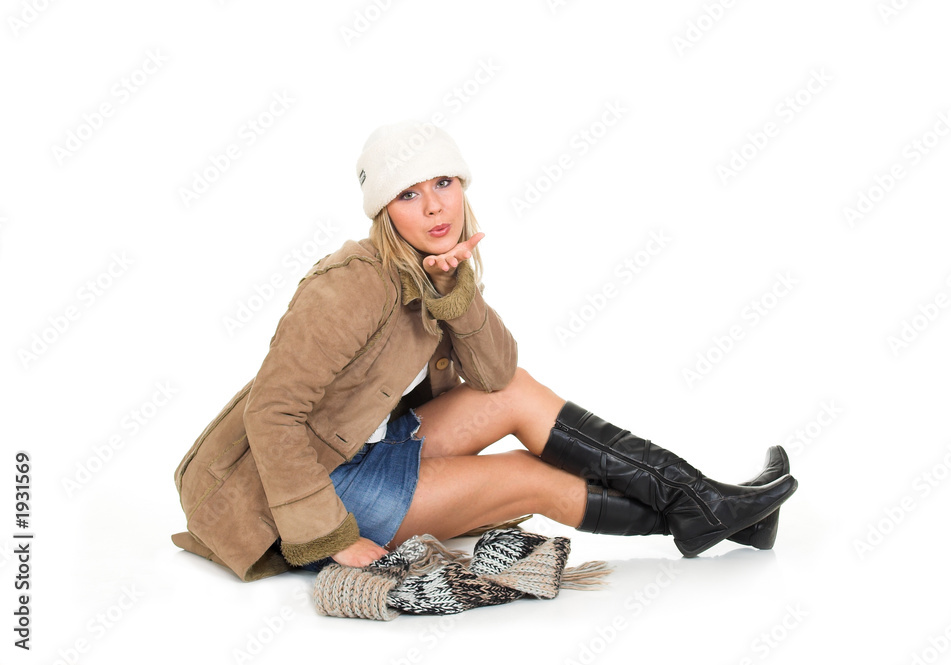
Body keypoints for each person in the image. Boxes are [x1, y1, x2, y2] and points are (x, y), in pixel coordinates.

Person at [171, 120, 797, 581]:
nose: (434, 206)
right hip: (315, 485)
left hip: (368, 443)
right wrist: (329, 537)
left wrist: (456, 292)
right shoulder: (351, 284)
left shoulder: (434, 269)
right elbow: (273, 414)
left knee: (517, 392)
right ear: (383, 211)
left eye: (443, 182)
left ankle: (706, 501)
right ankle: (707, 513)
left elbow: (496, 375)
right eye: (408, 194)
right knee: (527, 477)